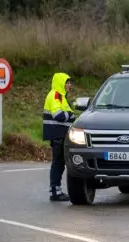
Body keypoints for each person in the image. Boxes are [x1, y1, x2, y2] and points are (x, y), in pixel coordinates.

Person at [42, 72, 76, 201]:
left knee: (60, 163)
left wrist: (69, 114)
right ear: (61, 83)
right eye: (67, 83)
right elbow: (59, 115)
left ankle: (56, 190)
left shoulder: (60, 96)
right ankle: (55, 192)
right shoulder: (56, 95)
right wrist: (70, 115)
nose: (69, 85)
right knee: (58, 163)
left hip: (59, 135)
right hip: (58, 135)